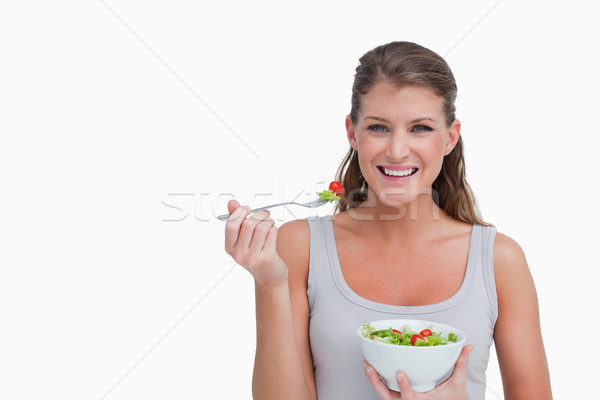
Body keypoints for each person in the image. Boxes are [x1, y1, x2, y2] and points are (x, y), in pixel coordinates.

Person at [223, 41, 552, 399]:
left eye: (421, 128)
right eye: (379, 128)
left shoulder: (499, 260)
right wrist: (269, 285)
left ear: (450, 137)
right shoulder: (299, 246)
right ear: (352, 132)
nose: (397, 151)